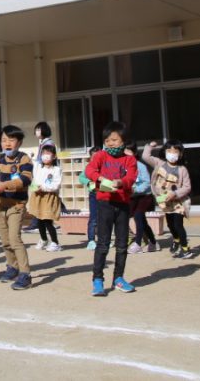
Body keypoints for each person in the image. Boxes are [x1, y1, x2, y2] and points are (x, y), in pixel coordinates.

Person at [85, 121, 139, 296]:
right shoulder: (100, 156)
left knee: (122, 244)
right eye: (107, 140)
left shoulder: (129, 159)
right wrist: (100, 178)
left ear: (123, 140)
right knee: (103, 244)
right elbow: (89, 170)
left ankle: (118, 278)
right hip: (105, 204)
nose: (110, 143)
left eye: (114, 140)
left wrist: (121, 182)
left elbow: (131, 177)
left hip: (122, 204)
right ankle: (98, 279)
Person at [0, 125, 35, 289]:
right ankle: (12, 267)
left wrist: (5, 185)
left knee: (14, 239)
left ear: (19, 142)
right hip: (2, 205)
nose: (7, 143)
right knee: (5, 241)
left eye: (11, 140)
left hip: (17, 205)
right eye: (4, 140)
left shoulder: (24, 159)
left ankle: (25, 274)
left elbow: (26, 179)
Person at [142, 140, 193, 258]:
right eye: (169, 151)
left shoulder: (182, 169)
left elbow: (187, 187)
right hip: (165, 202)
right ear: (165, 152)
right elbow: (145, 156)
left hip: (178, 202)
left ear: (180, 154)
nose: (172, 154)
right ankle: (176, 240)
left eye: (175, 152)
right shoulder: (159, 163)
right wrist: (150, 146)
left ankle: (185, 248)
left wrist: (175, 193)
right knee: (170, 225)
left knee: (178, 225)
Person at [29, 142, 62, 252]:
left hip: (49, 197)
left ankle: (55, 243)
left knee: (47, 220)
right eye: (43, 153)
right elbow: (34, 180)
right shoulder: (39, 168)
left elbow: (56, 185)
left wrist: (43, 187)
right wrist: (34, 187)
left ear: (54, 156)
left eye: (48, 153)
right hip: (38, 196)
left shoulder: (56, 170)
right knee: (39, 220)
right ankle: (43, 239)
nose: (45, 156)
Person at [24, 121, 54, 234]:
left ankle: (36, 223)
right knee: (38, 197)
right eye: (36, 130)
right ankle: (37, 222)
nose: (36, 132)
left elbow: (46, 160)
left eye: (38, 129)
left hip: (43, 175)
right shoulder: (43, 143)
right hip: (39, 174)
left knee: (39, 198)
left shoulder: (48, 143)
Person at [127, 147, 157, 253]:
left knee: (138, 217)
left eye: (128, 151)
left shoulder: (140, 166)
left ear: (134, 153)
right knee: (142, 221)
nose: (125, 154)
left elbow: (146, 182)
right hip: (133, 197)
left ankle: (138, 244)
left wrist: (135, 189)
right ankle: (153, 242)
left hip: (144, 196)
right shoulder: (124, 166)